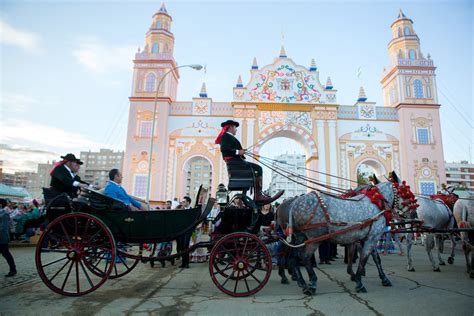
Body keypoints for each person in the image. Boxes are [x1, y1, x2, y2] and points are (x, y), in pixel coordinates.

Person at [215, 120, 284, 205]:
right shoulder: (226, 136)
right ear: (231, 127)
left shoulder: (228, 137)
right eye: (235, 128)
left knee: (257, 168)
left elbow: (230, 149)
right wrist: (238, 152)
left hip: (237, 163)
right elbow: (225, 150)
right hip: (236, 164)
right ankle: (258, 195)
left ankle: (258, 195)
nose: (236, 130)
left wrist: (240, 151)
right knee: (258, 168)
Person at [0, 198, 17, 277]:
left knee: (6, 253)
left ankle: (13, 270)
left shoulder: (3, 214)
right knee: (5, 253)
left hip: (2, 237)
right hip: (2, 236)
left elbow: (3, 228)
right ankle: (13, 269)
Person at [177, 196, 193, 268]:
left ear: (188, 202)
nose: (182, 203)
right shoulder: (181, 209)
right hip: (181, 231)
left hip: (188, 231)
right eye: (182, 202)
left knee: (186, 246)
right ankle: (183, 263)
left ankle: (186, 263)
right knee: (181, 247)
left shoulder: (192, 210)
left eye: (184, 202)